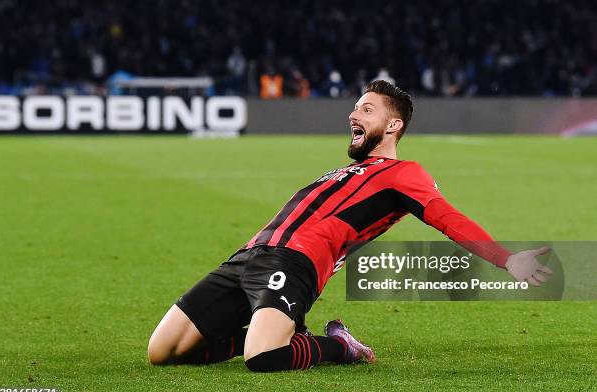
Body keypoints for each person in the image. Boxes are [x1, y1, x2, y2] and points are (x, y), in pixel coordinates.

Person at [147, 80, 552, 372]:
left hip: (294, 265)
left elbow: (449, 219)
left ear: (393, 126)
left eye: (366, 109)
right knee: (163, 352)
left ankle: (338, 347)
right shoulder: (346, 172)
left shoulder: (403, 174)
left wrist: (507, 259)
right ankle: (275, 330)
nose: (353, 114)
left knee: (264, 358)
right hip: (247, 258)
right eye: (355, 108)